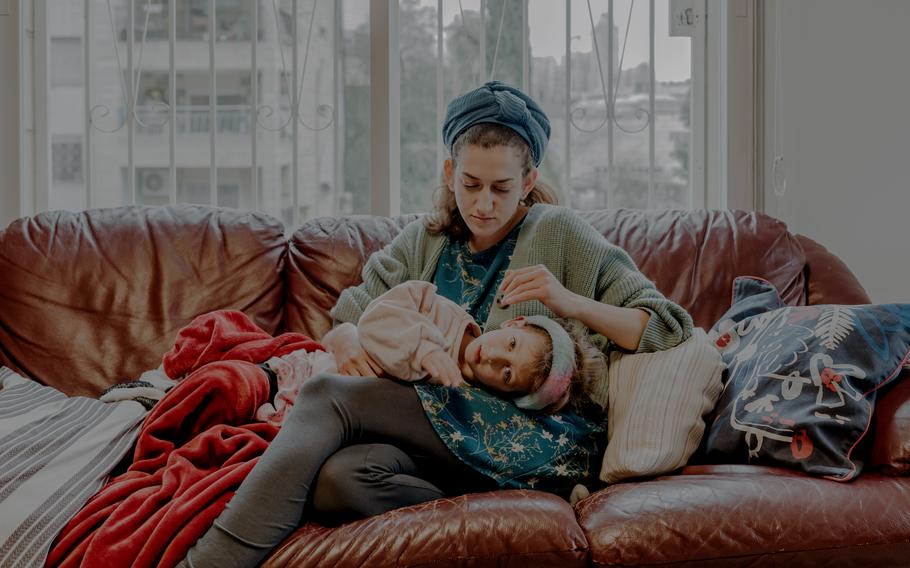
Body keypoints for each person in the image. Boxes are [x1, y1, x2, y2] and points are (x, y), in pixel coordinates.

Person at [179, 80, 693, 568]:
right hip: (449, 430)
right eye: (470, 184)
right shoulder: (425, 240)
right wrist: (347, 335)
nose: (483, 204)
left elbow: (666, 326)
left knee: (326, 396)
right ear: (449, 172)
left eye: (501, 187)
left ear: (529, 182)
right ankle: (490, 494)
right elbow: (349, 313)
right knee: (341, 479)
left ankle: (210, 562)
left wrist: (568, 300)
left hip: (536, 432)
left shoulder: (559, 231)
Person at [258, 280, 604, 428]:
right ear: (514, 322)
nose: (495, 358)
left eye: (507, 374)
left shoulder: (469, 400)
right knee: (228, 384)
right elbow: (374, 320)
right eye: (511, 344)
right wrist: (423, 348)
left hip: (312, 417)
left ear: (506, 394)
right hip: (303, 371)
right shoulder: (438, 310)